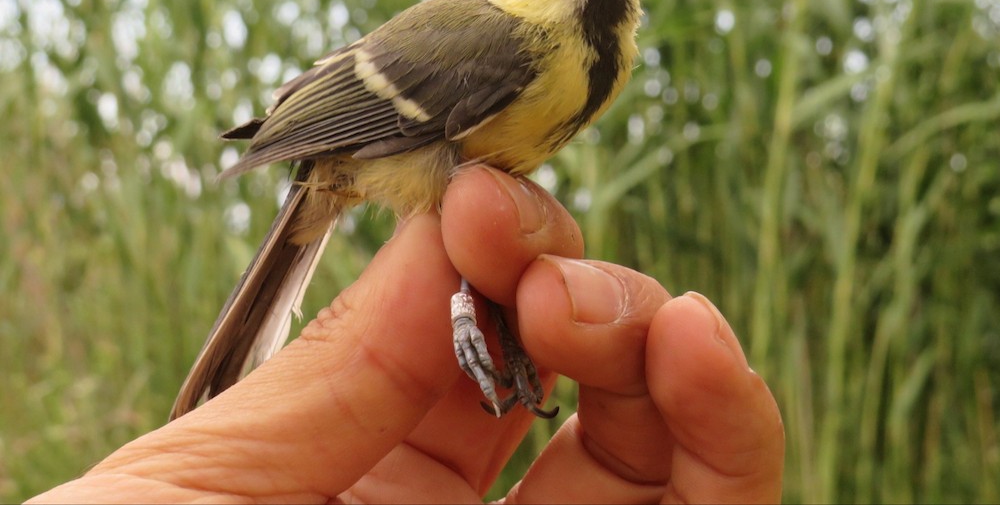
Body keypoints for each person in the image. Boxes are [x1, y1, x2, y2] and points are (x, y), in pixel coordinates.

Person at [30, 165, 784, 503]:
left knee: (489, 238)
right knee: (476, 227)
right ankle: (472, 312)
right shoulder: (507, 43)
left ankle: (485, 318)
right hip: (360, 159)